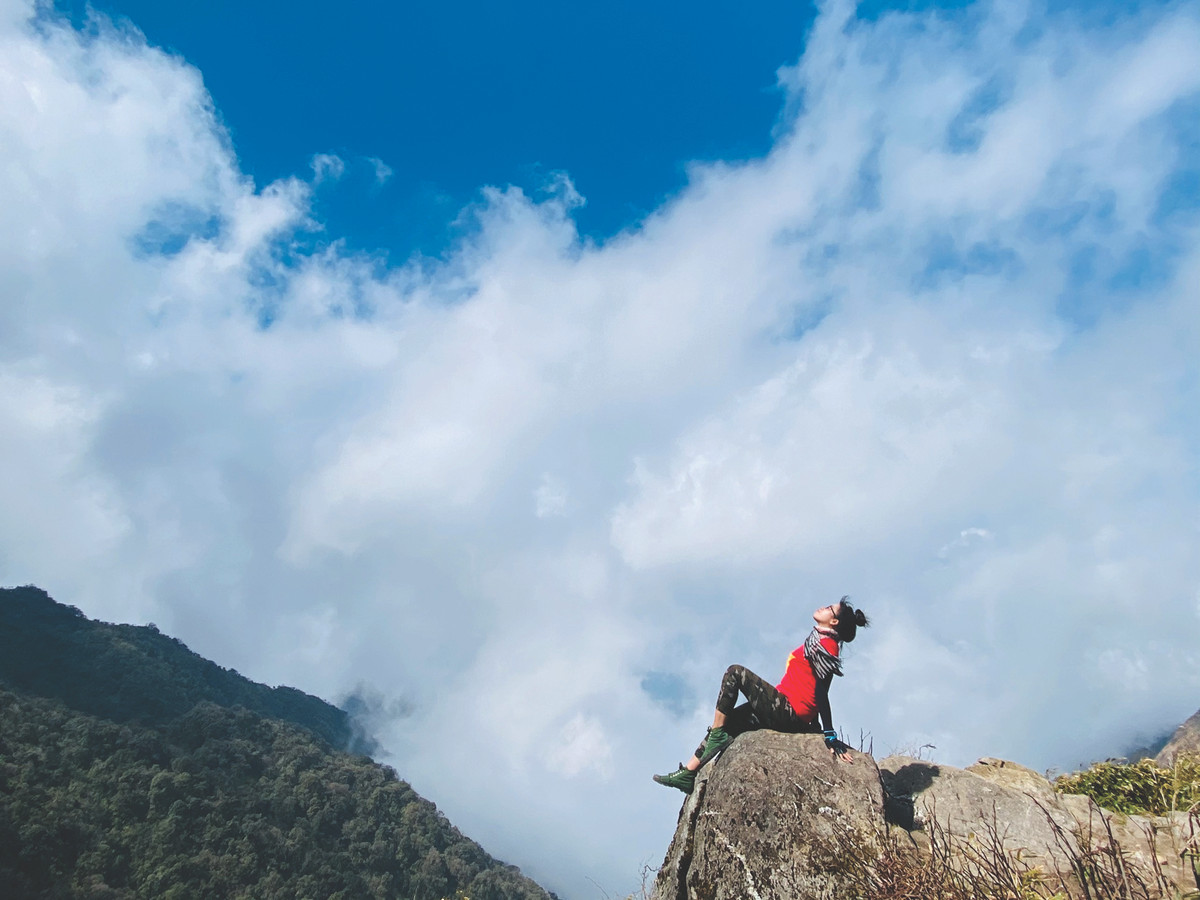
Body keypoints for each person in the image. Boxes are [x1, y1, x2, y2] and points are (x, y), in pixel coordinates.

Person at [653, 596, 869, 794]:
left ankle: (716, 736)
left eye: (830, 609)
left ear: (834, 622)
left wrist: (828, 734)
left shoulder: (827, 646)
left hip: (789, 710)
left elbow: (822, 691)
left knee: (735, 673)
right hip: (785, 705)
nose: (823, 607)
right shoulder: (818, 639)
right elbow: (813, 686)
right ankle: (689, 773)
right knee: (727, 721)